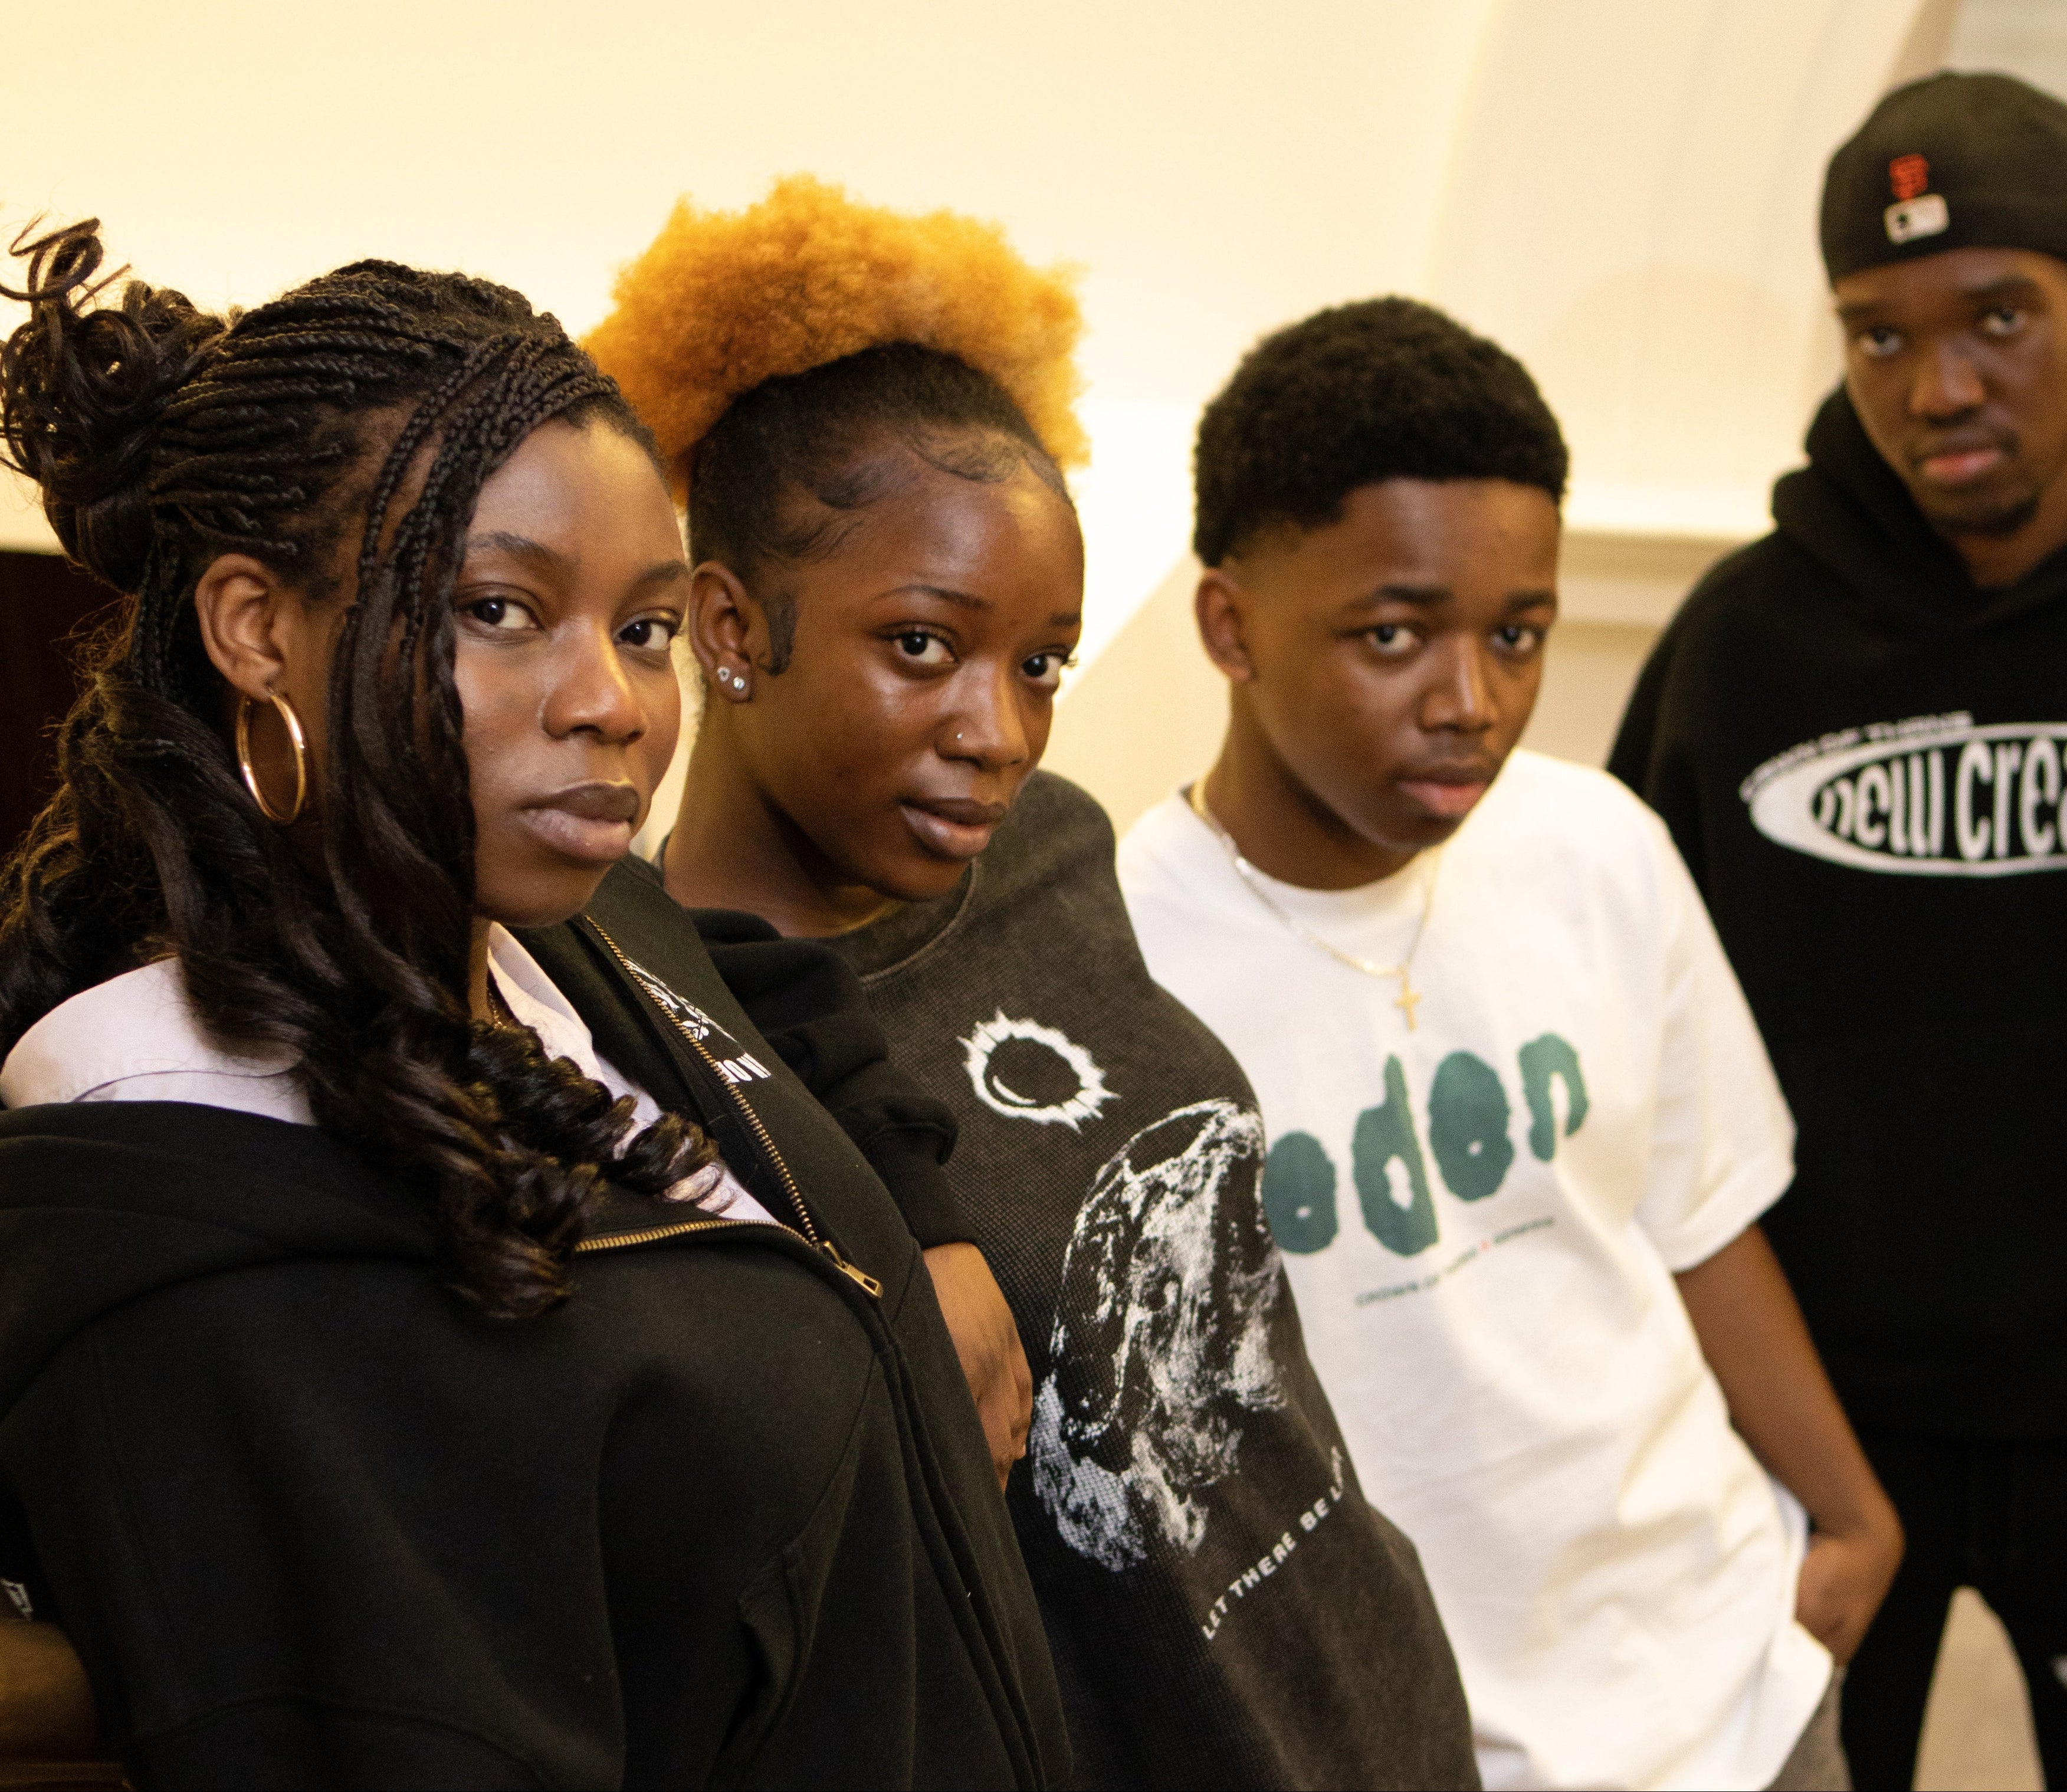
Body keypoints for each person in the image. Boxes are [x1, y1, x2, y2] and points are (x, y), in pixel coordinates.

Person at [0, 219, 1071, 1789]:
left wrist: (920, 1218)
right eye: (501, 609)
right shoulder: (219, 1255)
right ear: (255, 627)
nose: (613, 703)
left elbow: (765, 985)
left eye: (643, 629)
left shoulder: (562, 929)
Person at [586, 178, 1479, 1789]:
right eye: (923, 646)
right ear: (728, 625)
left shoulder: (1048, 848)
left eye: (1042, 661)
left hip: (1374, 1698)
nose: (1000, 732)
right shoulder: (667, 1033)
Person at [1118, 296, 1903, 1791]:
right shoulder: (1128, 960)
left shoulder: (1595, 846)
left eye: (1517, 635)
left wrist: (1853, 1513)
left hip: (1735, 1688)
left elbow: (1695, 1217)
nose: (1471, 703)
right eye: (1393, 635)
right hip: (1406, 1736)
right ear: (1230, 626)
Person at [1607, 70, 2067, 1789]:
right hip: (1824, 1440)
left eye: (1997, 318)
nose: (1939, 386)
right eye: (1880, 336)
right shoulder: (1743, 648)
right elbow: (1634, 1044)